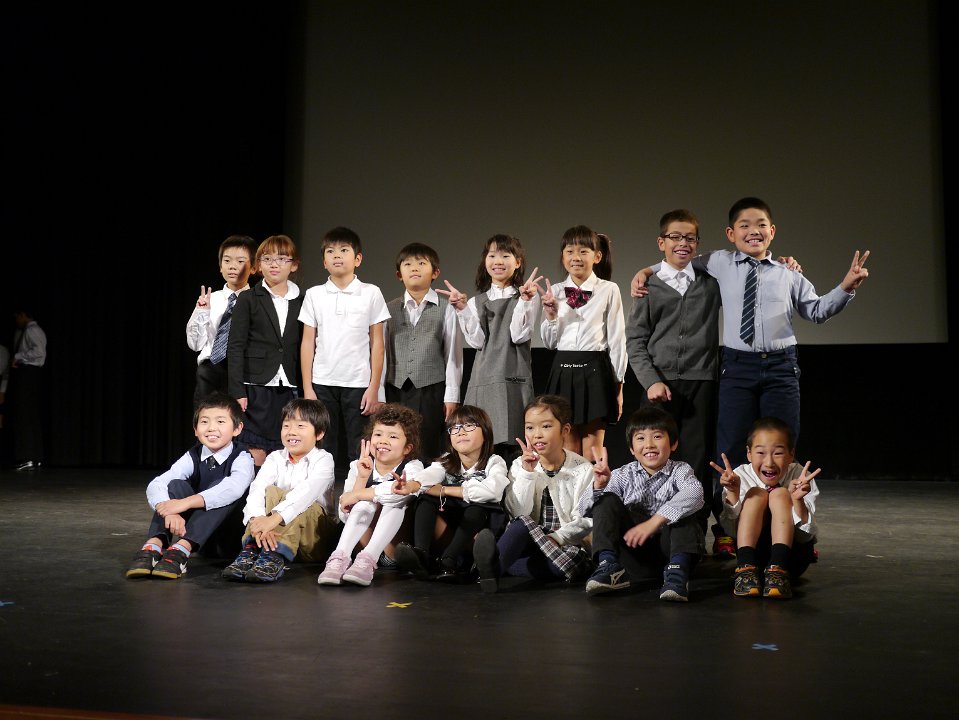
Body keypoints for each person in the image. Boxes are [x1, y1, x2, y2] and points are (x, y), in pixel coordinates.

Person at [631, 197, 869, 474]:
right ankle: (732, 503)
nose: (753, 231)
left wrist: (845, 287)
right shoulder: (719, 262)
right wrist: (646, 271)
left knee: (782, 439)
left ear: (772, 231)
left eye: (761, 225)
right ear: (731, 233)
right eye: (744, 225)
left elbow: (817, 311)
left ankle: (780, 500)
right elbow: (679, 258)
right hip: (737, 366)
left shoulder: (788, 273)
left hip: (781, 366)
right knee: (731, 442)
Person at [625, 210, 724, 549]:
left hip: (700, 383)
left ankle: (691, 535)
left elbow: (743, 265)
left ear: (697, 243)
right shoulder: (648, 286)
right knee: (651, 456)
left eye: (690, 238)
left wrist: (784, 263)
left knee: (697, 460)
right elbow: (635, 340)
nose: (683, 243)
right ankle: (648, 530)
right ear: (661, 242)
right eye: (675, 237)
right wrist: (651, 380)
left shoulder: (711, 282)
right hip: (658, 385)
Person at [578, 406, 705, 602]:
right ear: (631, 449)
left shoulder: (680, 470)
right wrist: (598, 486)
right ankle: (608, 566)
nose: (649, 444)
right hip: (633, 556)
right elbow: (583, 510)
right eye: (640, 438)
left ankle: (677, 574)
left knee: (684, 510)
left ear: (673, 444)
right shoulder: (621, 474)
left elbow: (695, 493)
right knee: (606, 499)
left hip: (671, 554)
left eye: (657, 436)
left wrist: (655, 521)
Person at [472, 395, 594, 593]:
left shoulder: (583, 468)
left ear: (565, 430)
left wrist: (558, 537)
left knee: (570, 563)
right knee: (521, 523)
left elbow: (585, 519)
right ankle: (495, 567)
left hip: (563, 544)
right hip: (529, 539)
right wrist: (527, 473)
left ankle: (493, 568)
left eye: (546, 426)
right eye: (530, 428)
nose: (537, 435)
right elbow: (517, 512)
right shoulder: (519, 465)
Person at [125, 393, 254, 579]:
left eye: (220, 421)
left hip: (229, 540)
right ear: (195, 429)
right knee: (176, 485)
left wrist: (184, 504)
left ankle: (181, 551)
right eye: (204, 422)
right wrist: (169, 511)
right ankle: (154, 546)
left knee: (222, 489)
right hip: (202, 539)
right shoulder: (193, 455)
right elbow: (157, 483)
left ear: (237, 428)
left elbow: (234, 488)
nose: (211, 428)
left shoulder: (242, 457)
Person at [438, 234, 541, 465]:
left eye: (506, 256)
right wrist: (462, 309)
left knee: (515, 445)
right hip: (483, 378)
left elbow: (518, 335)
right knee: (481, 444)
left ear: (518, 262)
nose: (498, 261)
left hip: (513, 376)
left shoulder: (527, 297)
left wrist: (525, 301)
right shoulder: (476, 302)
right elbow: (476, 341)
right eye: (492, 255)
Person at [299, 227, 390, 482]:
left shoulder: (371, 292)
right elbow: (308, 342)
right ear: (324, 261)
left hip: (359, 382)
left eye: (344, 250)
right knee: (323, 445)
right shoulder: (315, 294)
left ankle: (358, 496)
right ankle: (322, 498)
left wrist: (374, 387)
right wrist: (308, 387)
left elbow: (378, 344)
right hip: (322, 381)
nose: (337, 255)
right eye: (330, 251)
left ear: (357, 259)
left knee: (359, 445)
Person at [222, 398, 337, 582]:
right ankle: (252, 549)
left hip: (313, 540)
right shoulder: (275, 457)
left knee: (301, 502)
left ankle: (273, 555)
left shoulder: (324, 459)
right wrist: (258, 521)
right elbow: (257, 488)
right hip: (271, 534)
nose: (291, 431)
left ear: (319, 433)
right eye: (286, 425)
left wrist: (272, 520)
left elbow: (306, 494)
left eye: (300, 426)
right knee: (270, 492)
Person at [537, 226, 626, 460]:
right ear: (562, 256)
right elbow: (549, 343)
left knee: (592, 451)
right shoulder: (555, 291)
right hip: (563, 370)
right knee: (568, 450)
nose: (576, 257)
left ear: (597, 256)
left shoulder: (608, 289)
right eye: (570, 251)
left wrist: (619, 387)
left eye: (583, 251)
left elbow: (617, 340)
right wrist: (550, 315)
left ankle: (594, 486)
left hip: (595, 370)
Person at [393, 405, 509, 582]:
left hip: (479, 523)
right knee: (426, 497)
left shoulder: (494, 462)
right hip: (454, 520)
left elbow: (492, 491)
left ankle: (449, 560)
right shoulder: (447, 460)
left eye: (469, 425)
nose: (461, 432)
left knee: (476, 508)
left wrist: (445, 490)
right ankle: (421, 555)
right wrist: (413, 485)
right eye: (454, 428)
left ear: (485, 433)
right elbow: (431, 474)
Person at [317, 403, 426, 587]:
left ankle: (370, 558)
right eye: (378, 434)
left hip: (392, 551)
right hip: (358, 549)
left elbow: (397, 494)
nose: (383, 441)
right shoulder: (358, 466)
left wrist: (360, 494)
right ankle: (339, 558)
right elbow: (344, 514)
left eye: (393, 436)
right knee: (363, 504)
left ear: (407, 448)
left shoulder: (413, 467)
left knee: (395, 502)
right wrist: (362, 478)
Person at [711, 416, 821, 599]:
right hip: (753, 556)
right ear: (749, 453)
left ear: (791, 454)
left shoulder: (801, 476)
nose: (769, 462)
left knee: (780, 494)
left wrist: (797, 501)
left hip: (790, 559)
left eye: (778, 453)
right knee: (756, 494)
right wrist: (733, 493)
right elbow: (731, 532)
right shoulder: (739, 476)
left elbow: (805, 537)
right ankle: (745, 569)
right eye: (761, 452)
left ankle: (778, 571)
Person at [226, 235, 303, 468]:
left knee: (285, 449)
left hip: (289, 384)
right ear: (258, 265)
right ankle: (254, 491)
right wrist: (237, 390)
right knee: (255, 450)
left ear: (293, 265)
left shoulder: (303, 300)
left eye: (281, 259)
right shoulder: (249, 298)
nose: (274, 264)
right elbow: (236, 345)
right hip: (255, 384)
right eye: (267, 259)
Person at [385, 242, 463, 462]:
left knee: (428, 444)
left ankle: (427, 482)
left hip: (431, 388)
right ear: (399, 274)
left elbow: (453, 355)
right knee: (396, 441)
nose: (414, 268)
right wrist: (379, 393)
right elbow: (382, 354)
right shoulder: (388, 309)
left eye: (421, 263)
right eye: (408, 264)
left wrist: (452, 396)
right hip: (395, 387)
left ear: (435, 272)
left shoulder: (446, 308)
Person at [186, 234, 258, 408]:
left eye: (240, 261)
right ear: (220, 267)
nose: (232, 266)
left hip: (243, 372)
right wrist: (202, 312)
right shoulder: (211, 299)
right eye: (227, 261)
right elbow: (195, 345)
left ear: (254, 267)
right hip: (210, 371)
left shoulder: (257, 301)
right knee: (207, 420)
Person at [9, 307, 47, 471]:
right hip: (30, 374)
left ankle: (29, 456)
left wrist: (18, 356)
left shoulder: (32, 330)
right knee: (28, 415)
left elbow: (39, 352)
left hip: (29, 373)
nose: (16, 320)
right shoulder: (31, 330)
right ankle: (33, 457)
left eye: (17, 316)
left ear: (23, 314)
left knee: (26, 415)